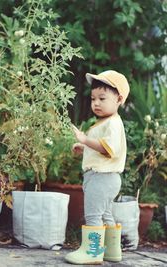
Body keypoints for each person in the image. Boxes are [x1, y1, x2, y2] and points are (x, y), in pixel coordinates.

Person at [65, 70, 130, 265]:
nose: (96, 103)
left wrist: (84, 138)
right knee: (105, 213)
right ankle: (111, 250)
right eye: (93, 98)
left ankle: (92, 253)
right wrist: (84, 146)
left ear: (118, 99)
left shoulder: (113, 124)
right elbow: (100, 146)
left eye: (102, 98)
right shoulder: (107, 123)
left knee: (93, 214)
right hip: (106, 178)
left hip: (102, 177)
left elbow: (107, 149)